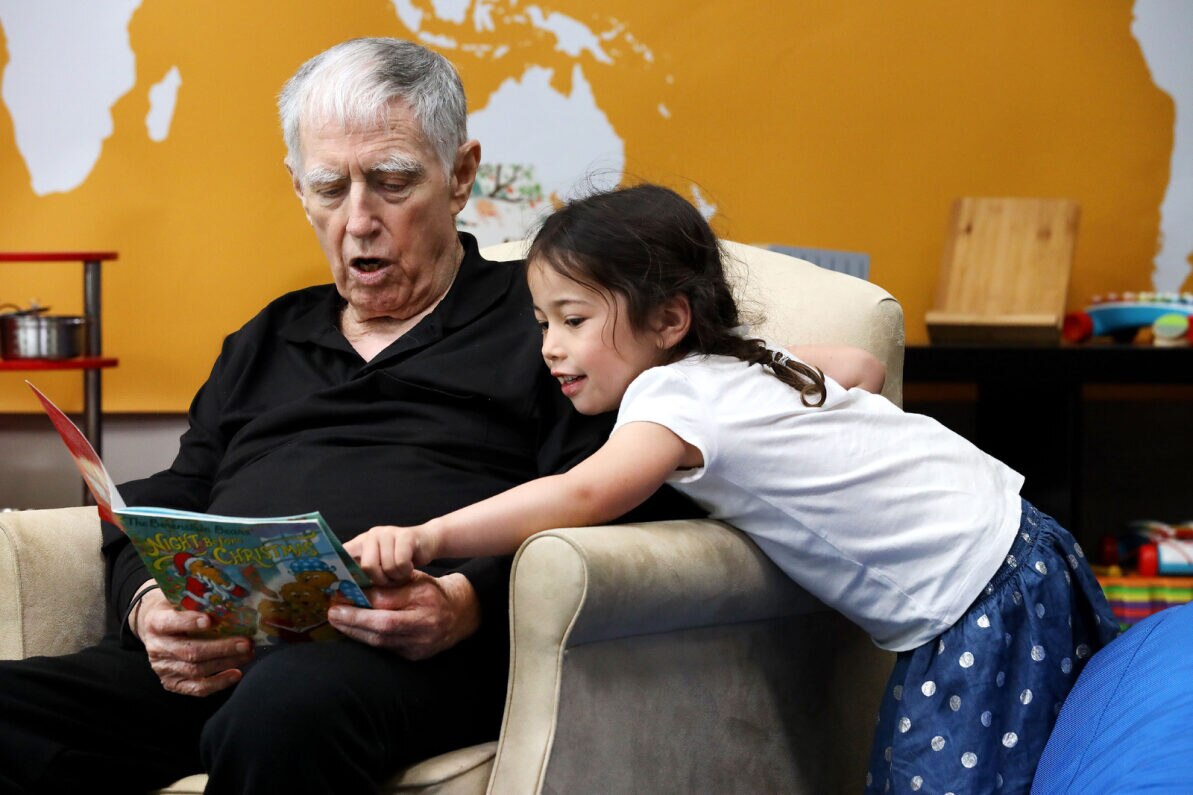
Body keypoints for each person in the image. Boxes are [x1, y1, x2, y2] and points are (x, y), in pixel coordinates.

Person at [0, 39, 696, 794]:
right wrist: (147, 606)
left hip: (408, 660)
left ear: (461, 174)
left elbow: (615, 498)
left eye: (391, 182)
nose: (358, 221)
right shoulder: (266, 336)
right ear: (299, 188)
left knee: (282, 708)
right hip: (221, 657)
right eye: (330, 188)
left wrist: (468, 600)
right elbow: (179, 486)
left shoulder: (546, 326)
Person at [346, 183, 1122, 794]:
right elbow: (864, 370)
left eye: (574, 319)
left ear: (670, 318)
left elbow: (580, 497)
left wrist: (426, 537)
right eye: (543, 321)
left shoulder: (671, 398)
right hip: (1025, 543)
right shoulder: (742, 362)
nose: (551, 347)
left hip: (974, 597)